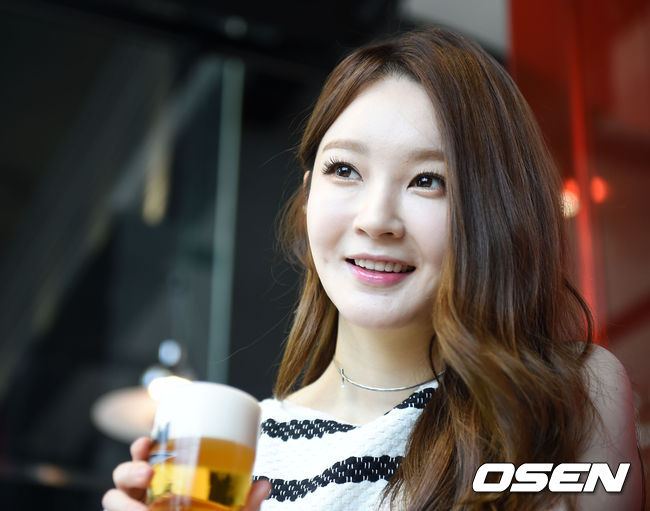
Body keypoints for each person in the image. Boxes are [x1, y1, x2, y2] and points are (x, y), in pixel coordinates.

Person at [102, 28, 643, 511]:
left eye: (428, 180)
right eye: (345, 170)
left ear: (491, 210)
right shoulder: (246, 451)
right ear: (308, 196)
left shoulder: (566, 394)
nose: (376, 219)